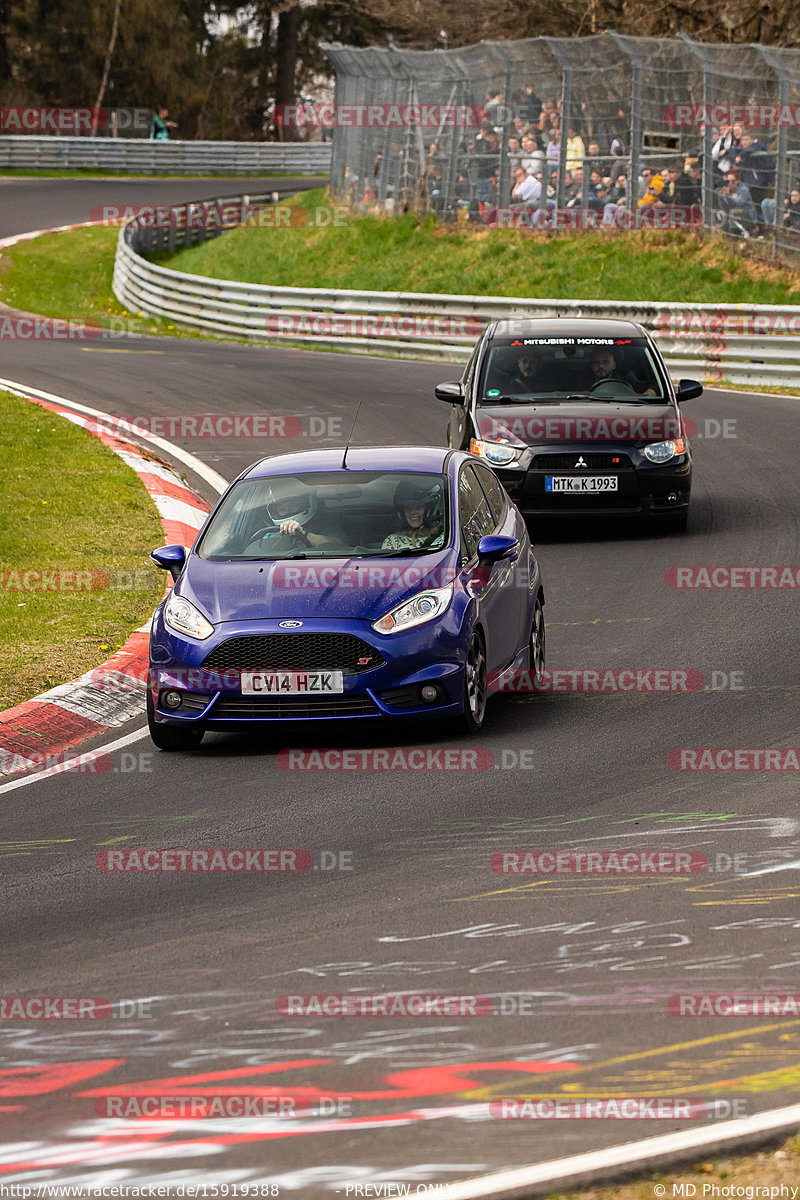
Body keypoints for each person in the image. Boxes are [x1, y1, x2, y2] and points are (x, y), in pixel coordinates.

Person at [256, 478, 345, 549]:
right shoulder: (270, 536)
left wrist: (304, 534)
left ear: (307, 504)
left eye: (294, 505)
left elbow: (340, 547)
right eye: (281, 509)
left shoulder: (328, 530)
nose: (288, 511)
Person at [382, 481, 444, 551]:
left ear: (431, 510)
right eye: (408, 508)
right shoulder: (393, 541)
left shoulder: (446, 540)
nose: (412, 512)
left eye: (418, 507)